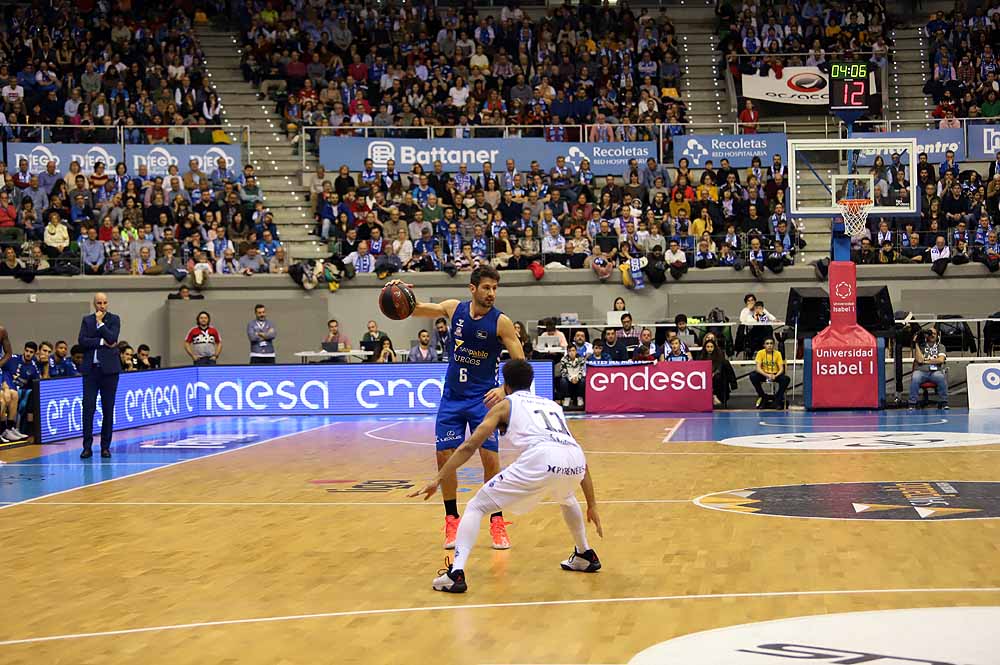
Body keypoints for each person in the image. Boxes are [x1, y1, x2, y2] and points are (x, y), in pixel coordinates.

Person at [410, 360, 602, 594]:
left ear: (505, 385)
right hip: (575, 461)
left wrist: (439, 477)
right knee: (567, 496)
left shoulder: (505, 405)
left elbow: (469, 446)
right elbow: (574, 450)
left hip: (541, 458)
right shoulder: (552, 405)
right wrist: (592, 504)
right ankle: (584, 553)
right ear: (531, 382)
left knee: (476, 506)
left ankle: (456, 573)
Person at [388, 266, 525, 550]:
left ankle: (497, 521)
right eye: (486, 288)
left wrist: (504, 388)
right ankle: (452, 520)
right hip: (452, 398)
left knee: (490, 460)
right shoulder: (454, 309)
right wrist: (402, 293)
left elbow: (520, 362)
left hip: (482, 400)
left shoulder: (501, 322)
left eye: (495, 288)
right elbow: (415, 309)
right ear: (472, 288)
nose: (491, 293)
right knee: (445, 457)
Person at [78, 292, 121, 458]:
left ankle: (105, 446)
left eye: (104, 303)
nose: (101, 306)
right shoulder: (86, 320)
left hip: (109, 371)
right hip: (91, 371)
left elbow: (113, 337)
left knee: (108, 409)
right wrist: (102, 342)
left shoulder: (114, 319)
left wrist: (100, 324)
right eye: (99, 303)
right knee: (88, 408)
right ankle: (87, 446)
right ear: (94, 304)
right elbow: (82, 341)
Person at [1, 341, 39, 441]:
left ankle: (11, 428)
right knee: (11, 395)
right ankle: (3, 430)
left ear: (34, 354)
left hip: (19, 390)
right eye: (27, 351)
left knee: (20, 396)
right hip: (6, 384)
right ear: (24, 350)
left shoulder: (33, 368)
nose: (28, 353)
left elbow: (36, 383)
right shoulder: (12, 359)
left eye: (31, 352)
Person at [908, 327, 948, 410]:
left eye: (934, 334)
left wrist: (926, 361)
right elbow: (919, 359)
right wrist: (916, 343)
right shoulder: (921, 346)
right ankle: (912, 403)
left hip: (935, 371)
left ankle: (944, 402)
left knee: (940, 377)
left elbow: (940, 360)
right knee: (915, 377)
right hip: (921, 371)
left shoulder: (940, 347)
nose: (932, 335)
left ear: (937, 336)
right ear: (926, 336)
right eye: (930, 334)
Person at [750, 337, 790, 409]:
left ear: (774, 345)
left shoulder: (778, 353)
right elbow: (758, 368)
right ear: (764, 345)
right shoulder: (760, 353)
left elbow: (781, 369)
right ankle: (763, 397)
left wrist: (775, 375)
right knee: (753, 376)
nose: (769, 345)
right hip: (764, 374)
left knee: (786, 379)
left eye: (771, 343)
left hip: (775, 374)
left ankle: (777, 399)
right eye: (767, 343)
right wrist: (767, 375)